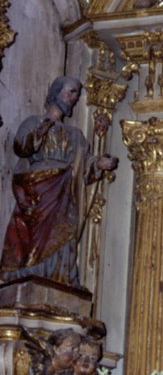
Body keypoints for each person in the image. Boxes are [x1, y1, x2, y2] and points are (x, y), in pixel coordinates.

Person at [0, 76, 118, 289]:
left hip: (64, 191)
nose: (74, 98)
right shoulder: (34, 122)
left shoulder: (75, 135)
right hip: (38, 189)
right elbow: (21, 147)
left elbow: (85, 163)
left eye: (76, 94)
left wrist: (99, 163)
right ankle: (31, 270)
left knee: (64, 232)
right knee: (34, 233)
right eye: (71, 91)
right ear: (55, 92)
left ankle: (60, 275)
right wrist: (38, 134)